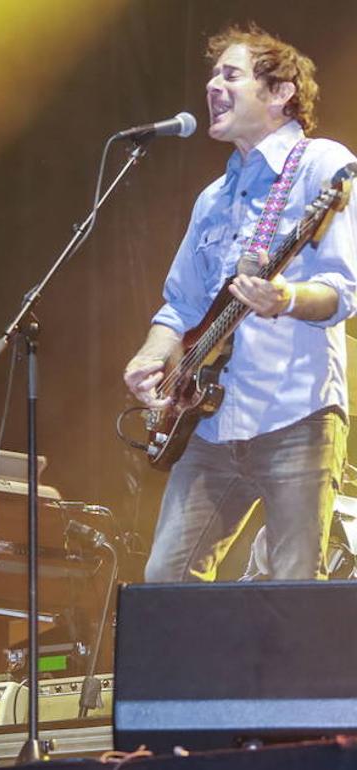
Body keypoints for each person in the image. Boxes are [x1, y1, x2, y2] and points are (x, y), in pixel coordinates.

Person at [124, 25, 357, 582]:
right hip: (209, 426)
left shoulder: (322, 165)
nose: (212, 85)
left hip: (296, 415)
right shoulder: (213, 197)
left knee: (294, 587)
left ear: (279, 93)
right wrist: (151, 358)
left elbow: (342, 290)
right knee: (166, 582)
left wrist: (286, 298)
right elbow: (177, 307)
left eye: (230, 74)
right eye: (212, 74)